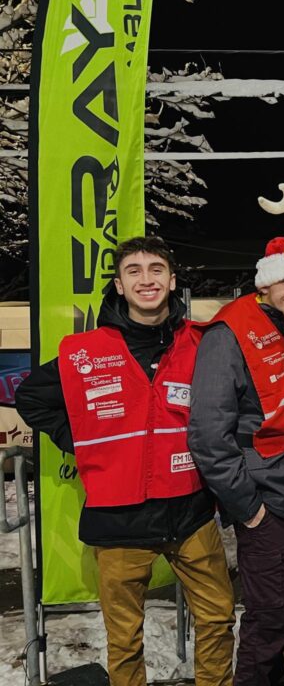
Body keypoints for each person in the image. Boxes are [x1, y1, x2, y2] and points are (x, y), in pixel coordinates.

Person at [15, 236, 235, 686]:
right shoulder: (85, 352)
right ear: (118, 285)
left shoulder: (201, 344)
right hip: (119, 522)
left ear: (172, 281)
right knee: (125, 639)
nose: (146, 279)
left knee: (218, 618)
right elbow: (31, 398)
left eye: (156, 269)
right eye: (133, 271)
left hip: (191, 512)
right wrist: (82, 441)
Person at [187, 237, 284, 686]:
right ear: (265, 282)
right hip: (264, 501)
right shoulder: (229, 334)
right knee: (267, 618)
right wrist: (249, 510)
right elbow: (208, 435)